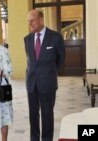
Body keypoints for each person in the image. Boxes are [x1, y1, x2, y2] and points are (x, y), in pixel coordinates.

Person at [24, 9, 65, 141]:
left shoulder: (56, 37)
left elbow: (61, 60)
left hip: (47, 83)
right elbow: (30, 61)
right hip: (31, 83)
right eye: (28, 21)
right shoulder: (27, 39)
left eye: (32, 20)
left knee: (47, 115)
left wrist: (49, 73)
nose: (30, 23)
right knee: (33, 114)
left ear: (41, 19)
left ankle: (47, 139)